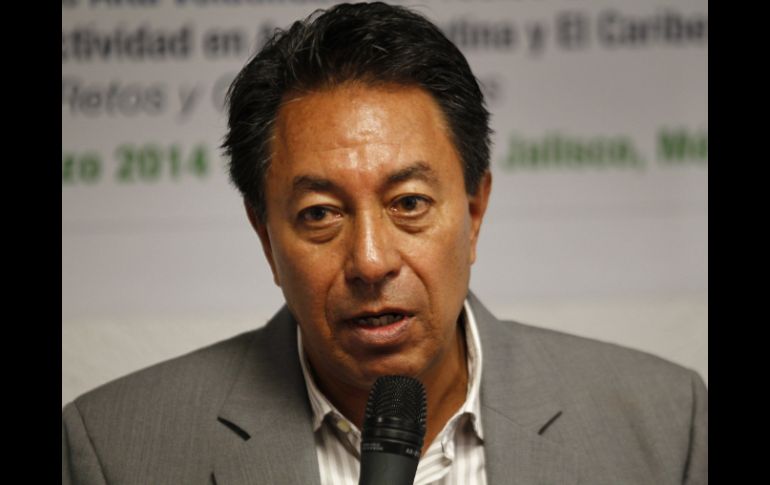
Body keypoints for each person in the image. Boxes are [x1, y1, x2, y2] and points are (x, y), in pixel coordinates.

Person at [62, 3, 707, 484]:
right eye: (320, 214)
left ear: (474, 211)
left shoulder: (663, 424)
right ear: (265, 238)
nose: (370, 261)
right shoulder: (114, 450)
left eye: (409, 203)